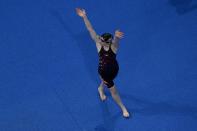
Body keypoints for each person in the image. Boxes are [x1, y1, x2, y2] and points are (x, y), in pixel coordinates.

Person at [76, 8, 130, 118]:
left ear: (107, 42)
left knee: (104, 83)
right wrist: (84, 17)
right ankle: (123, 108)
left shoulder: (114, 47)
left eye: (102, 40)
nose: (99, 40)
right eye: (100, 38)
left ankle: (100, 88)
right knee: (114, 92)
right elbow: (90, 29)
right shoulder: (98, 43)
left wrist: (116, 36)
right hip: (103, 72)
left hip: (114, 70)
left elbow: (116, 41)